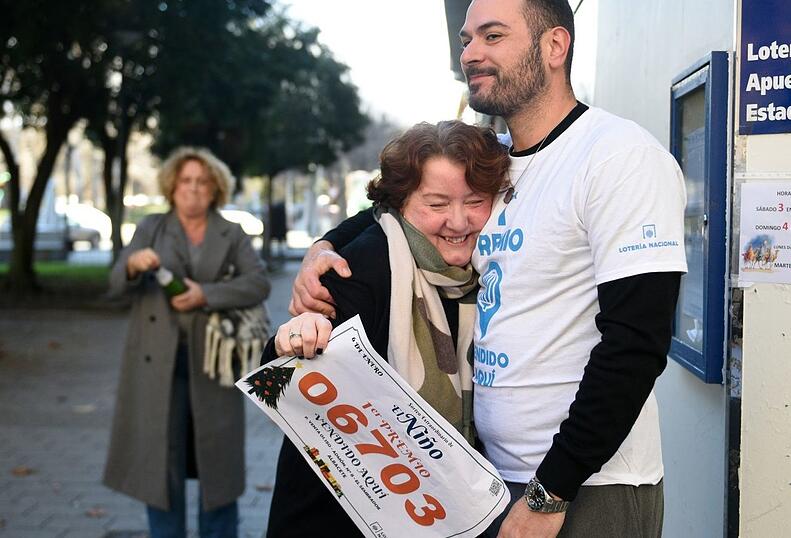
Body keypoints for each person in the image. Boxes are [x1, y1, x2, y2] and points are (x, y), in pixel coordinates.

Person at [289, 1, 687, 536]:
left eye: (493, 36)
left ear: (554, 46)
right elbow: (394, 206)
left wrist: (552, 491)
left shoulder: (617, 157)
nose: (470, 53)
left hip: (588, 484)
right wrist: (321, 247)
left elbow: (636, 342)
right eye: (467, 39)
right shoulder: (494, 163)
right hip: (489, 479)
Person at [260, 120, 510, 537]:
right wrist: (296, 336)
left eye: (475, 200)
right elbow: (278, 372)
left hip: (436, 516)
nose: (459, 221)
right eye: (436, 204)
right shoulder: (365, 263)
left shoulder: (488, 270)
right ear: (401, 203)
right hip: (335, 518)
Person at [104, 147, 270, 538]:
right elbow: (114, 283)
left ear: (215, 190)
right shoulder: (151, 228)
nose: (193, 189)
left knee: (218, 465)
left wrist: (206, 294)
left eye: (202, 182)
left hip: (213, 362)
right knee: (161, 464)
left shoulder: (232, 233)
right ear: (172, 186)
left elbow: (258, 283)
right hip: (154, 365)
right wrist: (132, 264)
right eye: (186, 181)